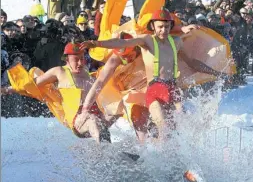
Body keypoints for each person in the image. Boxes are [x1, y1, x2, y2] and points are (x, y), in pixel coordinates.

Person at [79, 8, 225, 141]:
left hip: (172, 89)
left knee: (182, 125)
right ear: (153, 27)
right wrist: (96, 44)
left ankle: (176, 157)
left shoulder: (176, 41)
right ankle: (152, 155)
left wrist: (216, 73)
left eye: (166, 27)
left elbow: (192, 62)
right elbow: (120, 43)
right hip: (152, 91)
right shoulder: (145, 41)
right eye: (160, 27)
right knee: (162, 127)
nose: (163, 30)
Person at [1, 42, 117, 143]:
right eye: (76, 60)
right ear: (67, 59)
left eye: (82, 58)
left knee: (120, 107)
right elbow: (31, 83)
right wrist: (7, 89)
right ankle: (105, 153)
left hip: (98, 113)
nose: (80, 63)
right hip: (78, 119)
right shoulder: (59, 71)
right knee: (93, 121)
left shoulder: (89, 73)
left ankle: (125, 147)